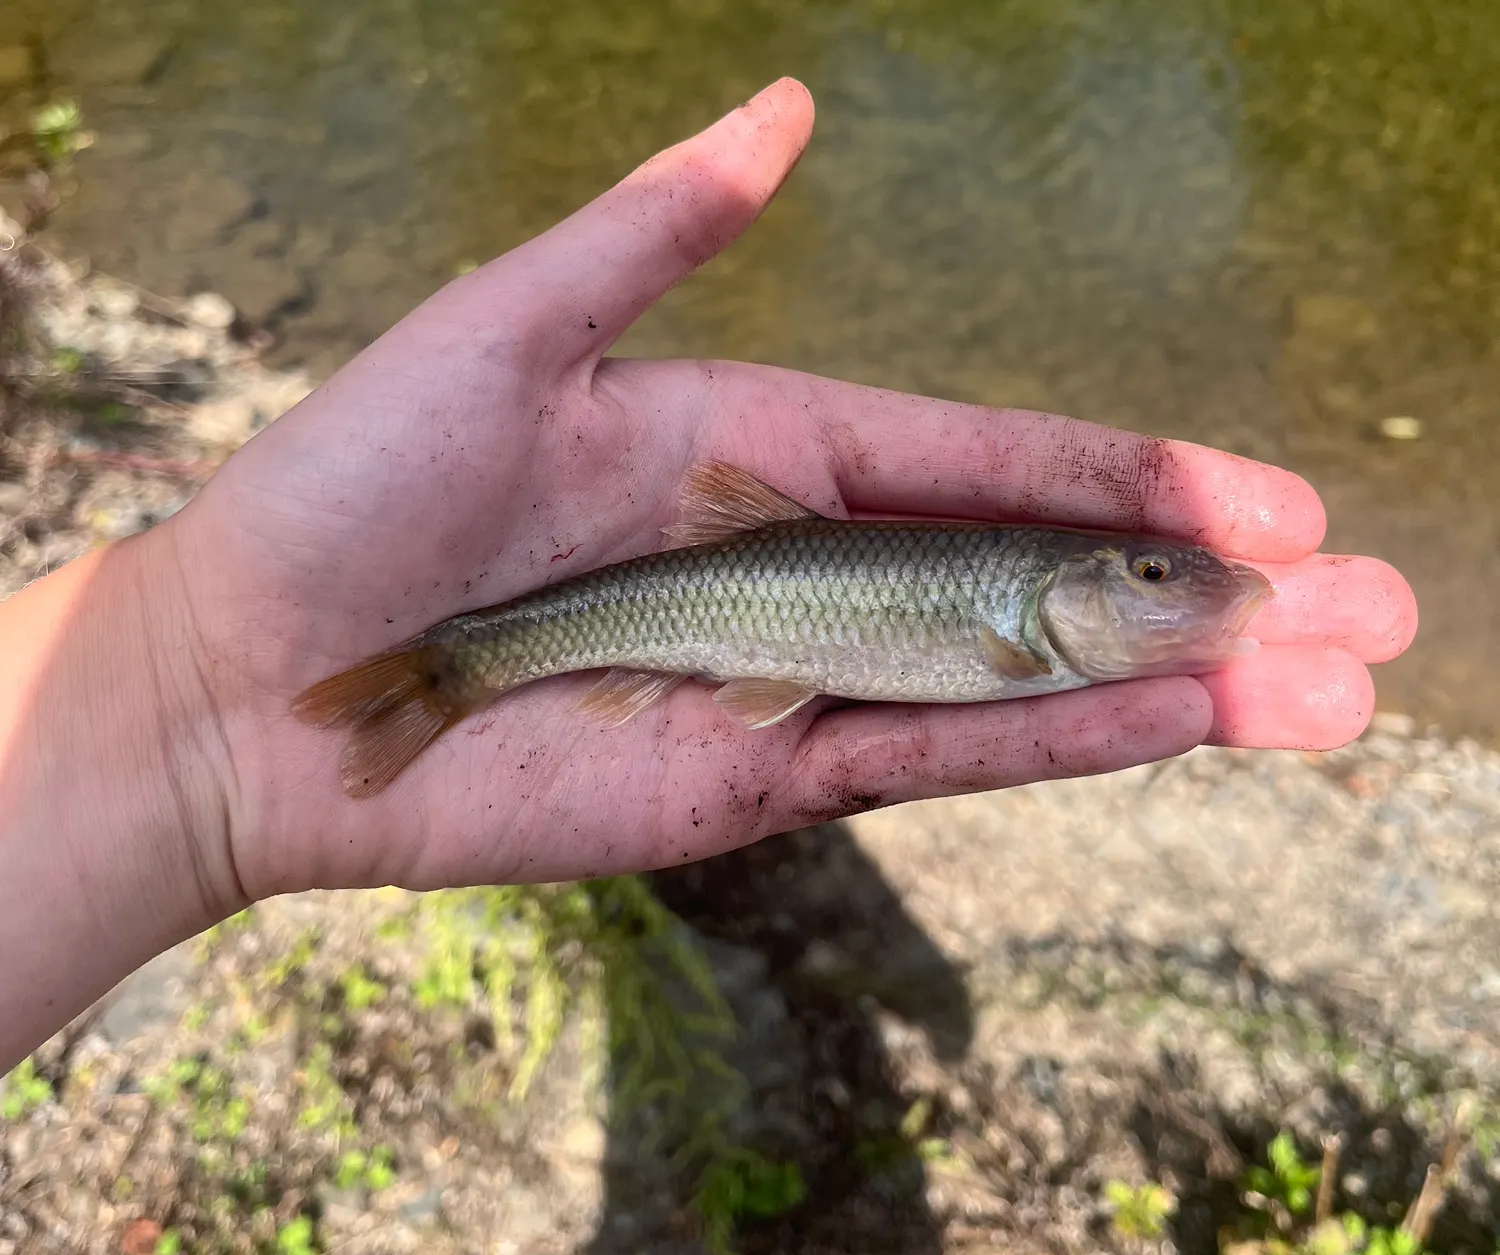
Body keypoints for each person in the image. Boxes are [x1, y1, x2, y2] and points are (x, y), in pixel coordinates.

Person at [0, 79, 1416, 1071]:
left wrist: (181, 710)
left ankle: (442, 673)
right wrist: (187, 700)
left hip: (696, 609)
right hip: (600, 622)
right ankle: (453, 671)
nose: (1184, 590)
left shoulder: (1027, 618)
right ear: (1076, 587)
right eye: (1157, 573)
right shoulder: (1018, 625)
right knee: (511, 647)